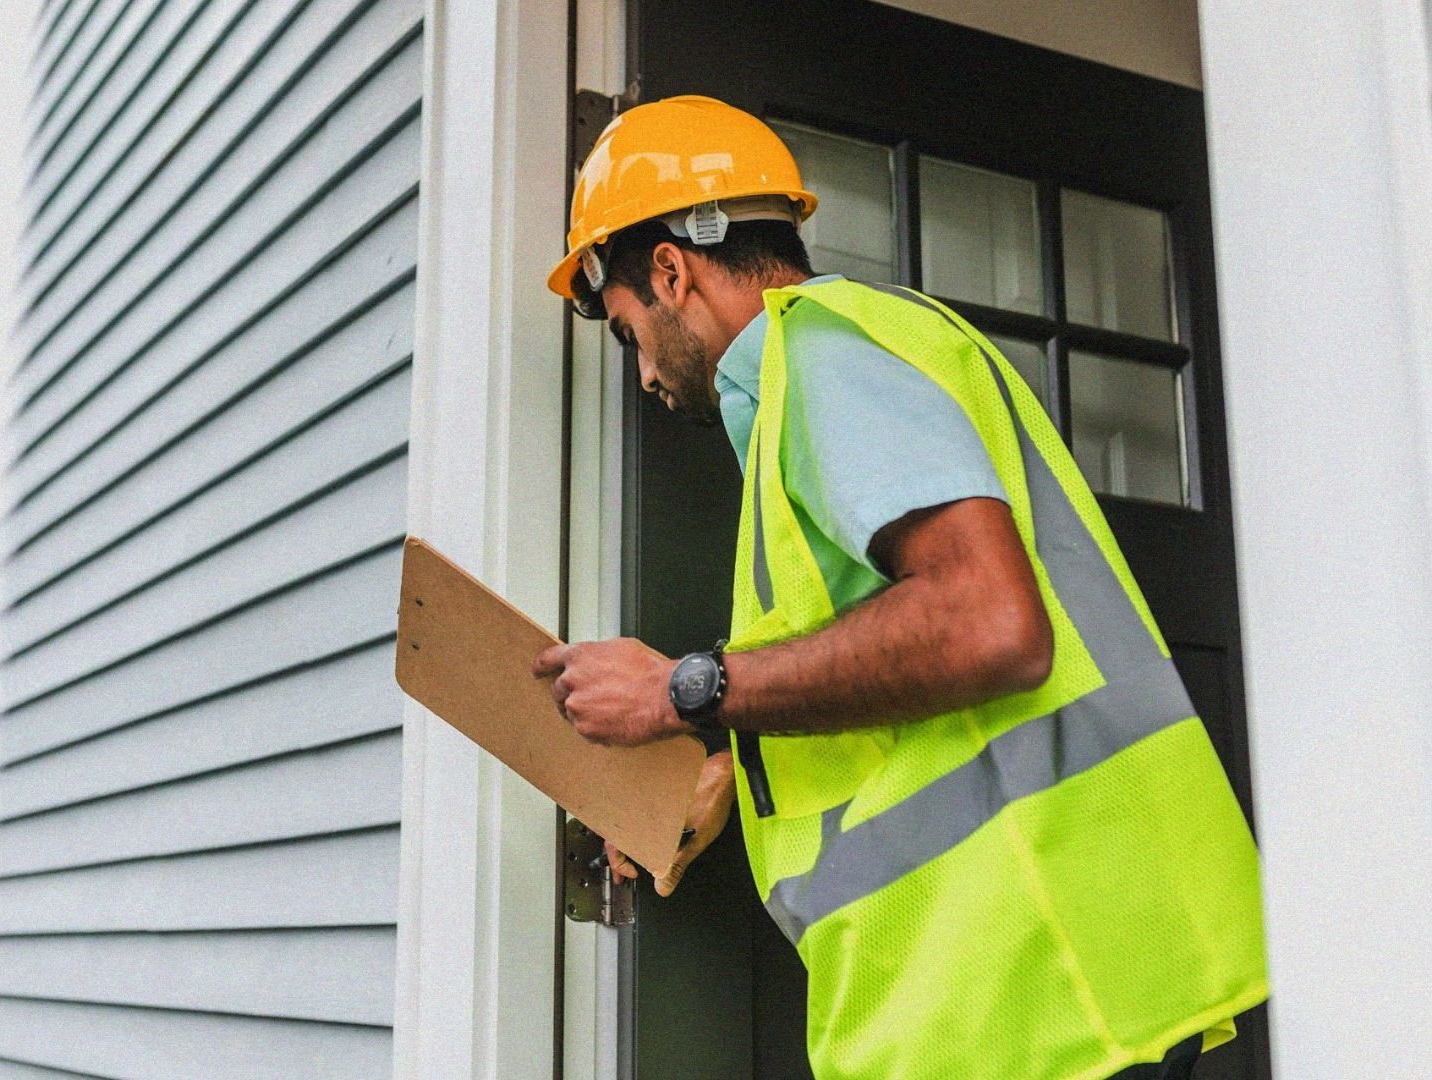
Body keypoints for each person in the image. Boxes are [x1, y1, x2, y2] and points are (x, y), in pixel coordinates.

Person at [532, 95, 1268, 1080]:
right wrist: (711, 777)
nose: (644, 376)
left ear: (671, 270)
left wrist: (681, 689)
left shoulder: (826, 357)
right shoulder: (836, 367)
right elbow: (892, 671)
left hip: (1036, 980)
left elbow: (990, 626)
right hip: (1034, 979)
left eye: (626, 333)